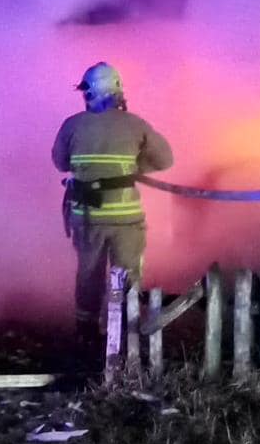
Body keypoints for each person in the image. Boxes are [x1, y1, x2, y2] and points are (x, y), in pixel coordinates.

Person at [51, 62, 173, 346]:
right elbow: (165, 159)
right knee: (127, 275)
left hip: (87, 218)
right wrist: (132, 167)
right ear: (116, 91)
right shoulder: (135, 125)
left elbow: (60, 163)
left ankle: (86, 333)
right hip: (126, 220)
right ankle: (126, 335)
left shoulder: (72, 125)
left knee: (88, 274)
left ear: (91, 92)